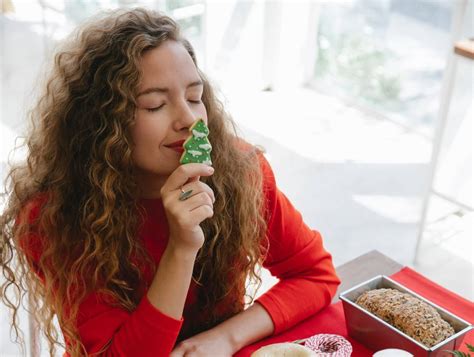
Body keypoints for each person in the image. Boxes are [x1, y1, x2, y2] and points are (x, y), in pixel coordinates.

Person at [0, 8, 340, 357]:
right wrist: (182, 246)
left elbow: (315, 275)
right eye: (154, 105)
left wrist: (226, 337)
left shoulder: (242, 170)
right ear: (100, 123)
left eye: (195, 97)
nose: (189, 119)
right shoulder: (51, 216)